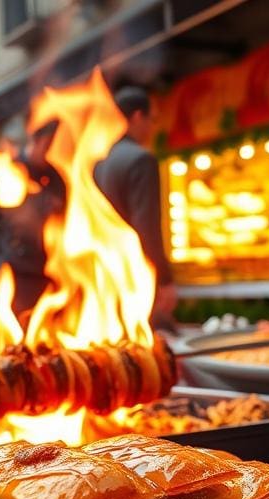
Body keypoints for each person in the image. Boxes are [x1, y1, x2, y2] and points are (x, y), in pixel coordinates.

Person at [93, 85, 177, 327]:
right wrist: (163, 279)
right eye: (152, 120)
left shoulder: (99, 162)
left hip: (104, 279)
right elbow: (146, 225)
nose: (152, 127)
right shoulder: (141, 159)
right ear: (137, 116)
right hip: (135, 277)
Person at [0, 122, 66, 315]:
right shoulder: (8, 170)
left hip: (52, 272)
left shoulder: (57, 178)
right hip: (18, 272)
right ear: (36, 142)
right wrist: (0, 258)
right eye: (49, 147)